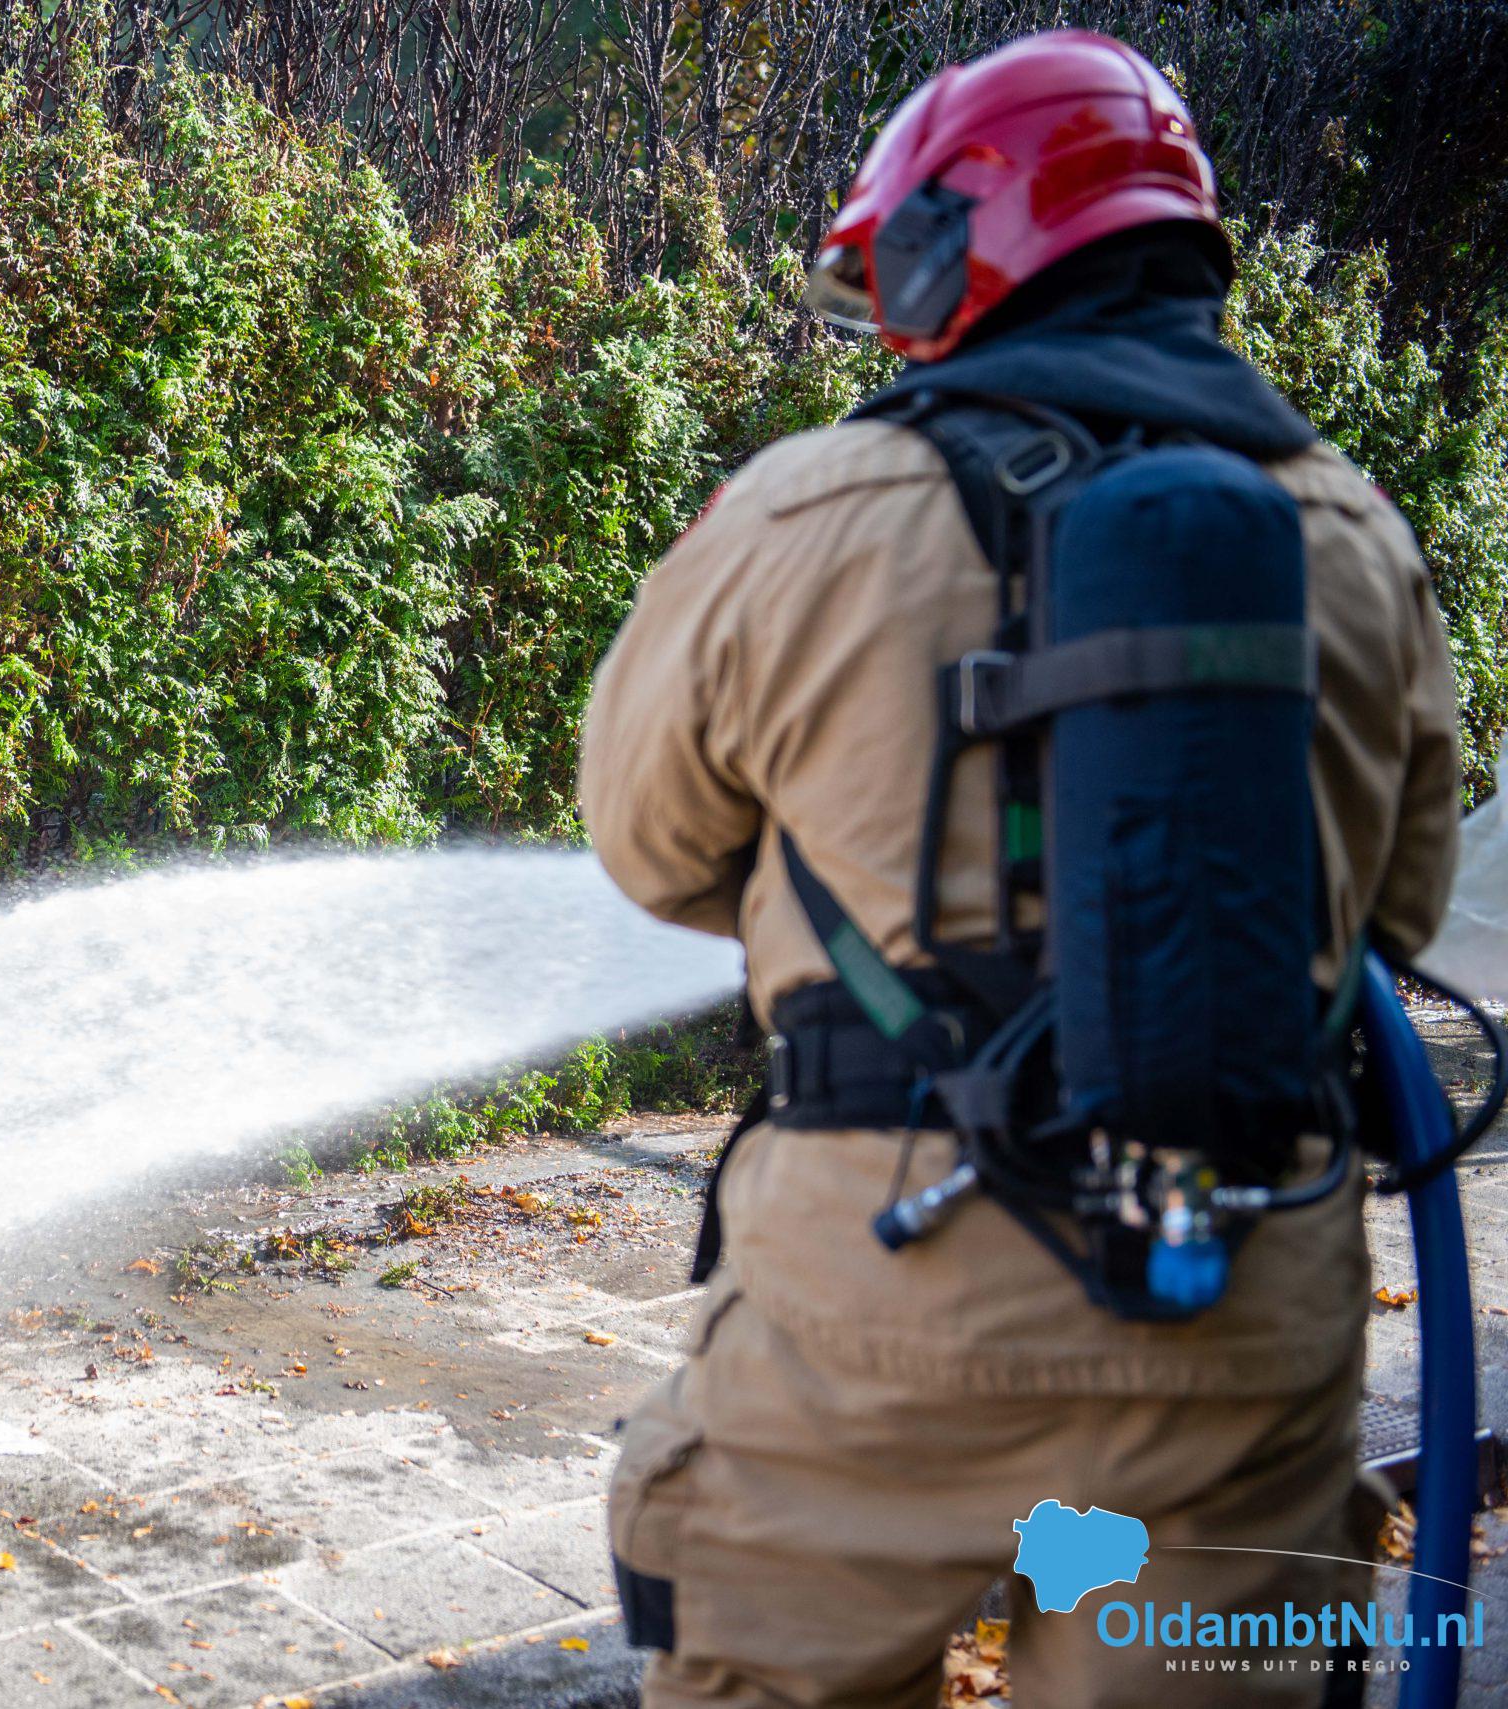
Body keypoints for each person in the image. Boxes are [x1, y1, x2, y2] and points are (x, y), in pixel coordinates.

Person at [580, 29, 1461, 1709]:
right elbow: (1387, 918)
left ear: (963, 244)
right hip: (1243, 1295)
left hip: (878, 1286)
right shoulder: (1355, 539)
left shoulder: (800, 512)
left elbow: (648, 842)